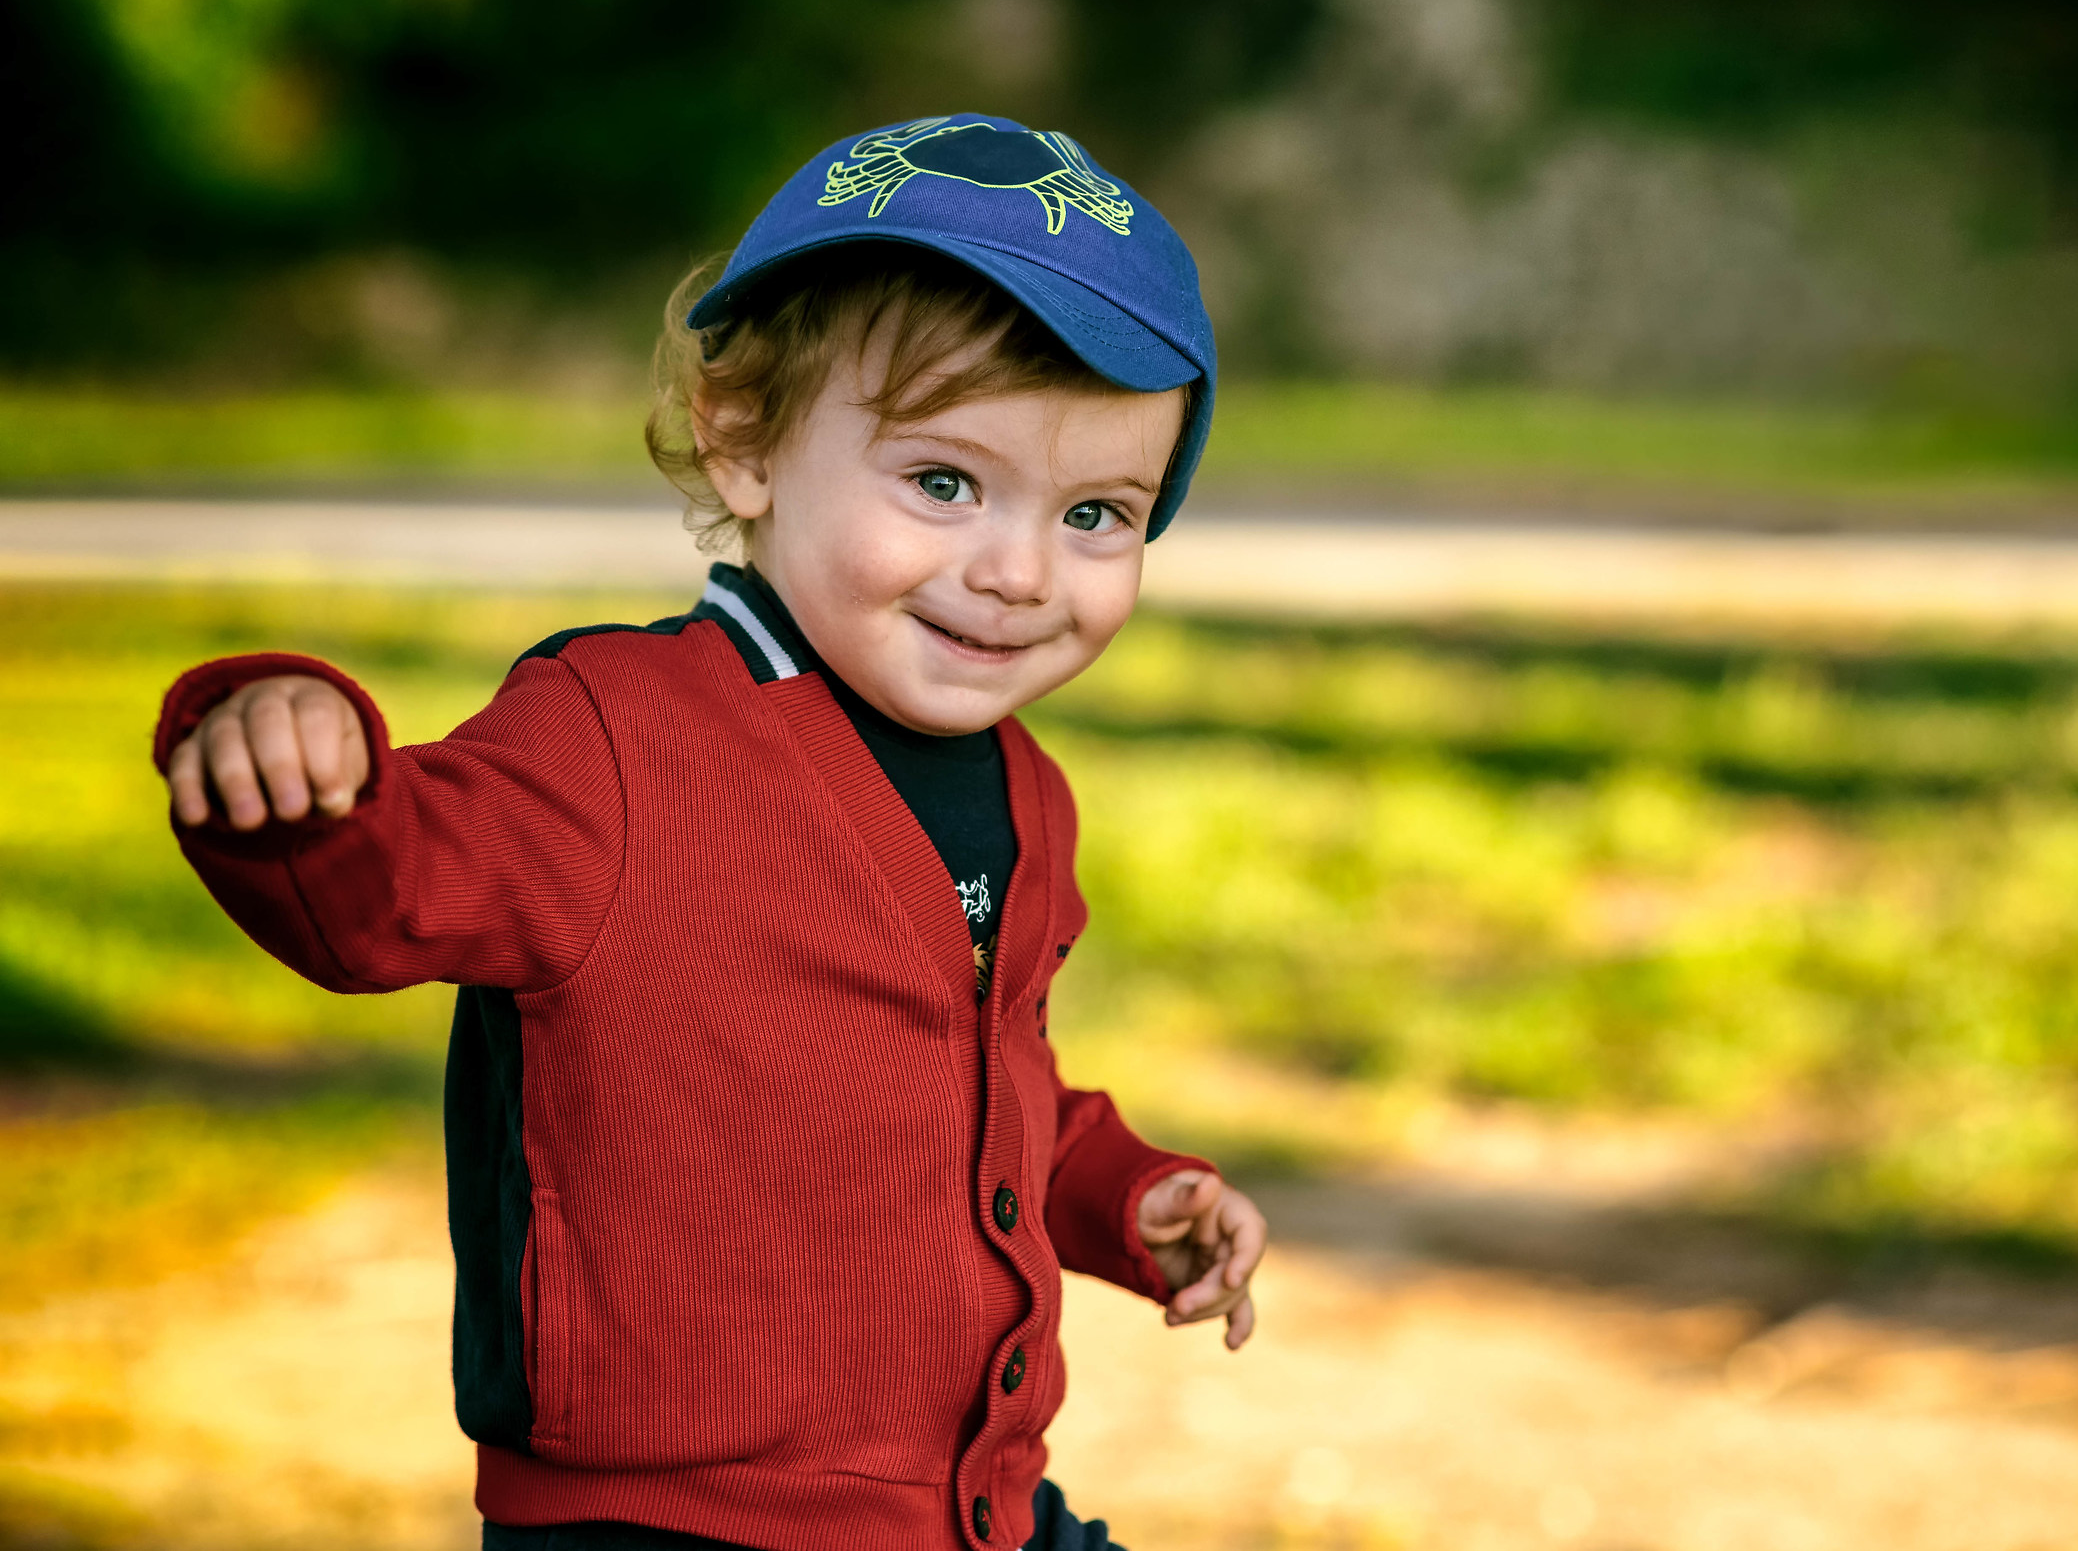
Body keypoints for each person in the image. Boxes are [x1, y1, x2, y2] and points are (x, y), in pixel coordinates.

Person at [151, 113, 1265, 1551]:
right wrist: (290, 762)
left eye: (1097, 514)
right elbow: (375, 900)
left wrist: (1123, 1192)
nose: (1019, 572)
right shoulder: (615, 738)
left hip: (956, 1509)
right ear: (743, 441)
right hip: (674, 1522)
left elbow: (981, 1097)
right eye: (944, 484)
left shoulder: (1022, 788)